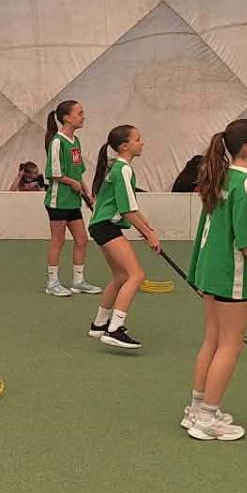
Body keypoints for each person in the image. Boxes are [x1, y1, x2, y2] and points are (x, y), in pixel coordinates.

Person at [183, 119, 247, 443]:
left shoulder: (221, 176)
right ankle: (208, 418)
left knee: (213, 340)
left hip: (209, 270)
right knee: (230, 344)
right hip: (231, 274)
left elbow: (207, 229)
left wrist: (197, 270)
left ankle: (196, 410)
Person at [86, 124, 161, 350]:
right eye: (137, 139)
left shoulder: (118, 168)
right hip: (107, 226)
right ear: (124, 146)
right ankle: (115, 329)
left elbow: (130, 207)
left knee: (120, 276)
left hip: (100, 226)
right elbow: (127, 210)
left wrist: (147, 226)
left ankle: (99, 324)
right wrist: (149, 235)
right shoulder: (124, 170)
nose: (142, 142)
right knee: (136, 275)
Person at [42, 100, 100, 297]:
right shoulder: (57, 142)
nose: (83, 117)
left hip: (73, 200)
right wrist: (71, 182)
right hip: (58, 200)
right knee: (58, 241)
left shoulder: (75, 141)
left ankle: (78, 281)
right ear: (67, 118)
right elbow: (54, 173)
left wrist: (86, 191)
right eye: (79, 113)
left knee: (82, 239)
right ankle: (52, 283)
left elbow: (78, 171)